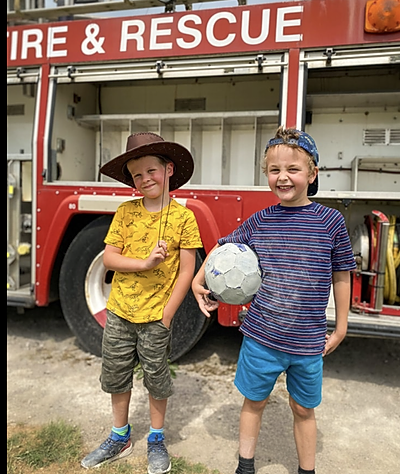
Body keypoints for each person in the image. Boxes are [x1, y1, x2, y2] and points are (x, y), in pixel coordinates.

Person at [192, 127, 356, 474]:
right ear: (266, 173)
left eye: (293, 169)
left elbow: (342, 276)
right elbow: (223, 247)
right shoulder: (260, 220)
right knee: (254, 403)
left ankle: (306, 470)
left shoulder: (331, 223)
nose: (283, 177)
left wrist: (340, 327)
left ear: (312, 174)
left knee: (303, 409)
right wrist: (197, 278)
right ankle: (245, 466)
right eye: (274, 170)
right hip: (261, 339)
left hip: (308, 343)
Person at [81, 132, 203, 473]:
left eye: (151, 170)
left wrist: (166, 316)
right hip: (119, 313)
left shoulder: (184, 218)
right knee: (116, 375)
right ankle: (119, 436)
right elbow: (109, 259)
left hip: (156, 318)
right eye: (137, 175)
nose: (145, 178)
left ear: (168, 169)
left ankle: (156, 438)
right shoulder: (125, 212)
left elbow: (186, 272)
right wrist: (145, 263)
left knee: (156, 378)